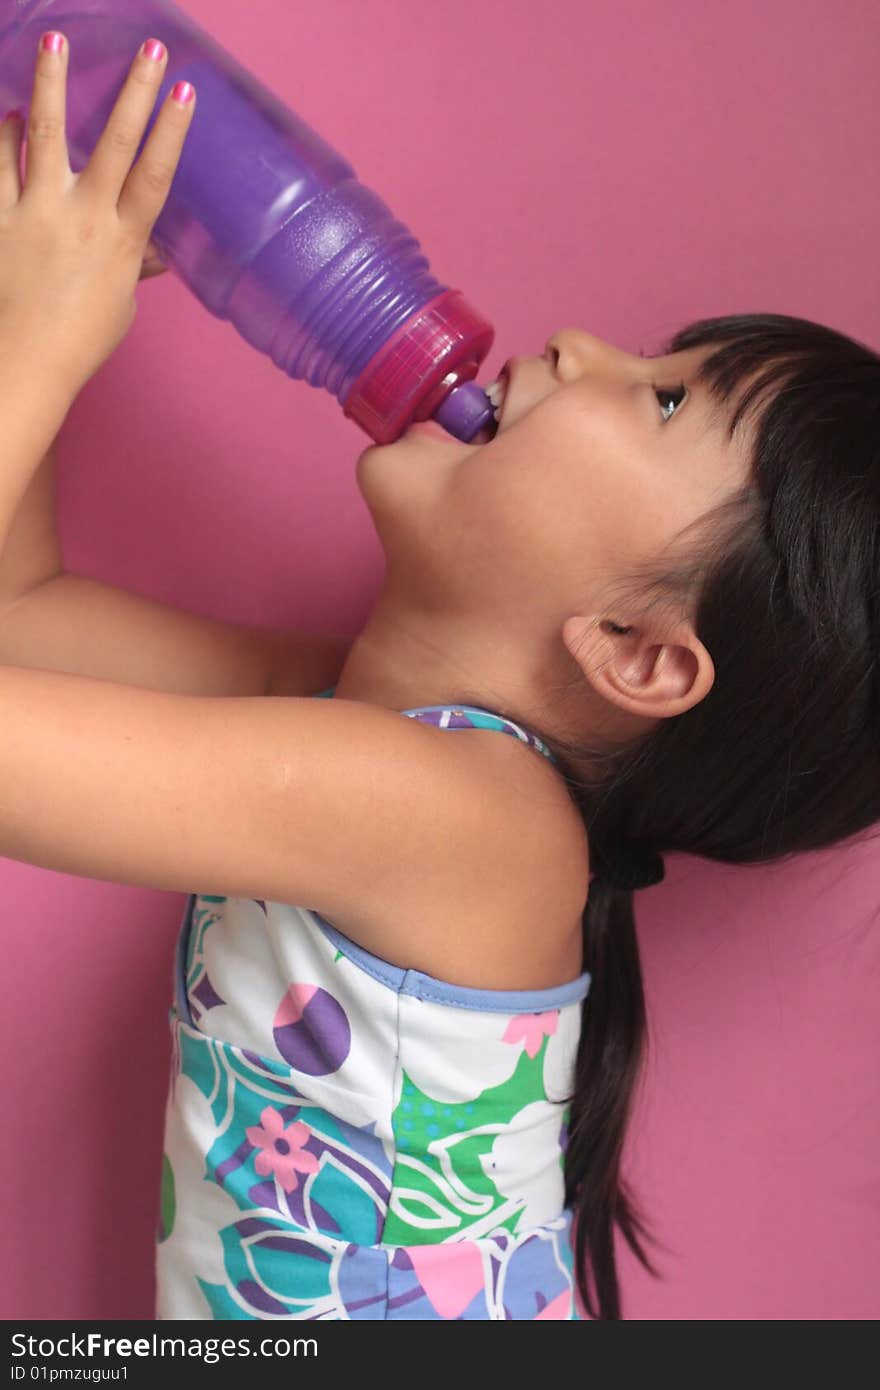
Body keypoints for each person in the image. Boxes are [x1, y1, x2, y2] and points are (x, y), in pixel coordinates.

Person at [0, 32, 878, 1322]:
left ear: (637, 651)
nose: (580, 344)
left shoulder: (451, 815)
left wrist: (41, 347)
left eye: (665, 403)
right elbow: (24, 621)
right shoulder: (367, 742)